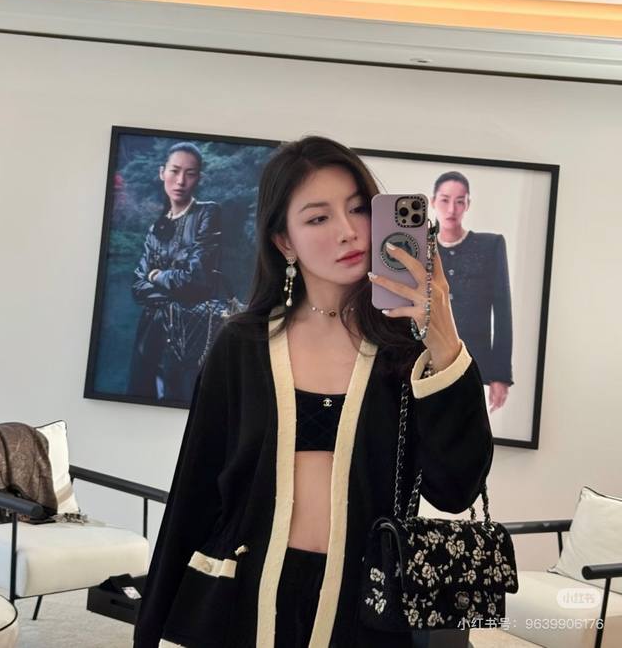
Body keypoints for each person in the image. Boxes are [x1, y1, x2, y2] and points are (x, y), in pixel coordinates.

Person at [133, 135, 493, 648]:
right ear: (285, 241)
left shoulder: (406, 353)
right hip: (240, 603)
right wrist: (151, 629)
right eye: (318, 218)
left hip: (364, 613)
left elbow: (455, 490)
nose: (348, 231)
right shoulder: (243, 346)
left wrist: (444, 340)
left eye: (358, 209)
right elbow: (193, 494)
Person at [128, 142, 222, 402]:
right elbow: (137, 286)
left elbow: (196, 279)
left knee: (187, 400)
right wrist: (178, 289)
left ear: (199, 178)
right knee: (144, 398)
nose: (180, 181)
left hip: (193, 333)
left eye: (190, 173)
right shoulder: (156, 227)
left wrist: (156, 276)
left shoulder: (207, 213)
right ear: (162, 173)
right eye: (174, 171)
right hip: (151, 333)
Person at [430, 171, 513, 413]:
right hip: (427, 362)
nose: (451, 209)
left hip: (476, 366)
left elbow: (503, 312)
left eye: (460, 201)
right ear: (433, 202)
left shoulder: (490, 246)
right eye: (444, 200)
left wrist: (500, 375)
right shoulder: (421, 248)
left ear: (468, 204)